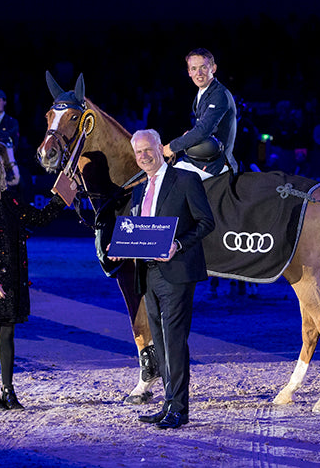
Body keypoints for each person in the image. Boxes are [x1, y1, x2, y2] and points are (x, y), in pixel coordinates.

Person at [111, 129, 214, 429]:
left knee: (174, 340)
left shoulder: (185, 180)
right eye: (138, 152)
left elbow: (206, 222)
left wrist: (178, 244)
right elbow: (136, 231)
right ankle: (169, 403)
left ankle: (179, 409)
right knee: (160, 342)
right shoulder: (139, 190)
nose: (143, 156)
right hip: (148, 274)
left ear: (160, 148)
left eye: (148, 149)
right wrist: (119, 248)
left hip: (177, 271)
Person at [0, 145, 64, 410]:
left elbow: (40, 219)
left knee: (8, 334)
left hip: (13, 276)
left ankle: (9, 391)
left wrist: (62, 195)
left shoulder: (11, 200)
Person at [163, 48, 237, 178]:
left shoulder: (219, 95)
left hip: (215, 162)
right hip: (203, 156)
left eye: (203, 67)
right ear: (189, 72)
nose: (199, 73)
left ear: (213, 68)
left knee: (171, 180)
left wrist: (172, 147)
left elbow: (203, 130)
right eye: (194, 68)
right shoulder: (202, 93)